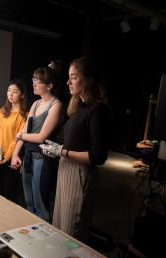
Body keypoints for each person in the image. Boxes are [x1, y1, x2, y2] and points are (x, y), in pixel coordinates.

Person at [39, 56, 112, 241]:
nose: (68, 81)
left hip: (79, 173)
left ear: (88, 79)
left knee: (72, 233)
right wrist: (61, 148)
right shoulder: (79, 107)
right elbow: (77, 143)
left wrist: (62, 151)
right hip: (66, 169)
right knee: (59, 227)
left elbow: (98, 156)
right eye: (69, 77)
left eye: (74, 77)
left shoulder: (98, 110)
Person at [11, 63, 64, 222]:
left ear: (49, 86)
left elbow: (41, 137)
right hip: (28, 154)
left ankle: (45, 238)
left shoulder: (56, 105)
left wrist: (20, 136)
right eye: (33, 80)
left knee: (40, 203)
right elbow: (26, 131)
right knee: (28, 201)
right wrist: (15, 154)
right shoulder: (36, 103)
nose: (33, 83)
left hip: (43, 157)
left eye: (38, 81)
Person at [0, 79, 29, 203]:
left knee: (10, 195)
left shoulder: (24, 115)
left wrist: (6, 157)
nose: (10, 94)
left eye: (15, 91)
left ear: (22, 95)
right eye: (9, 90)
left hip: (12, 159)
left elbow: (18, 139)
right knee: (0, 193)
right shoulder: (2, 111)